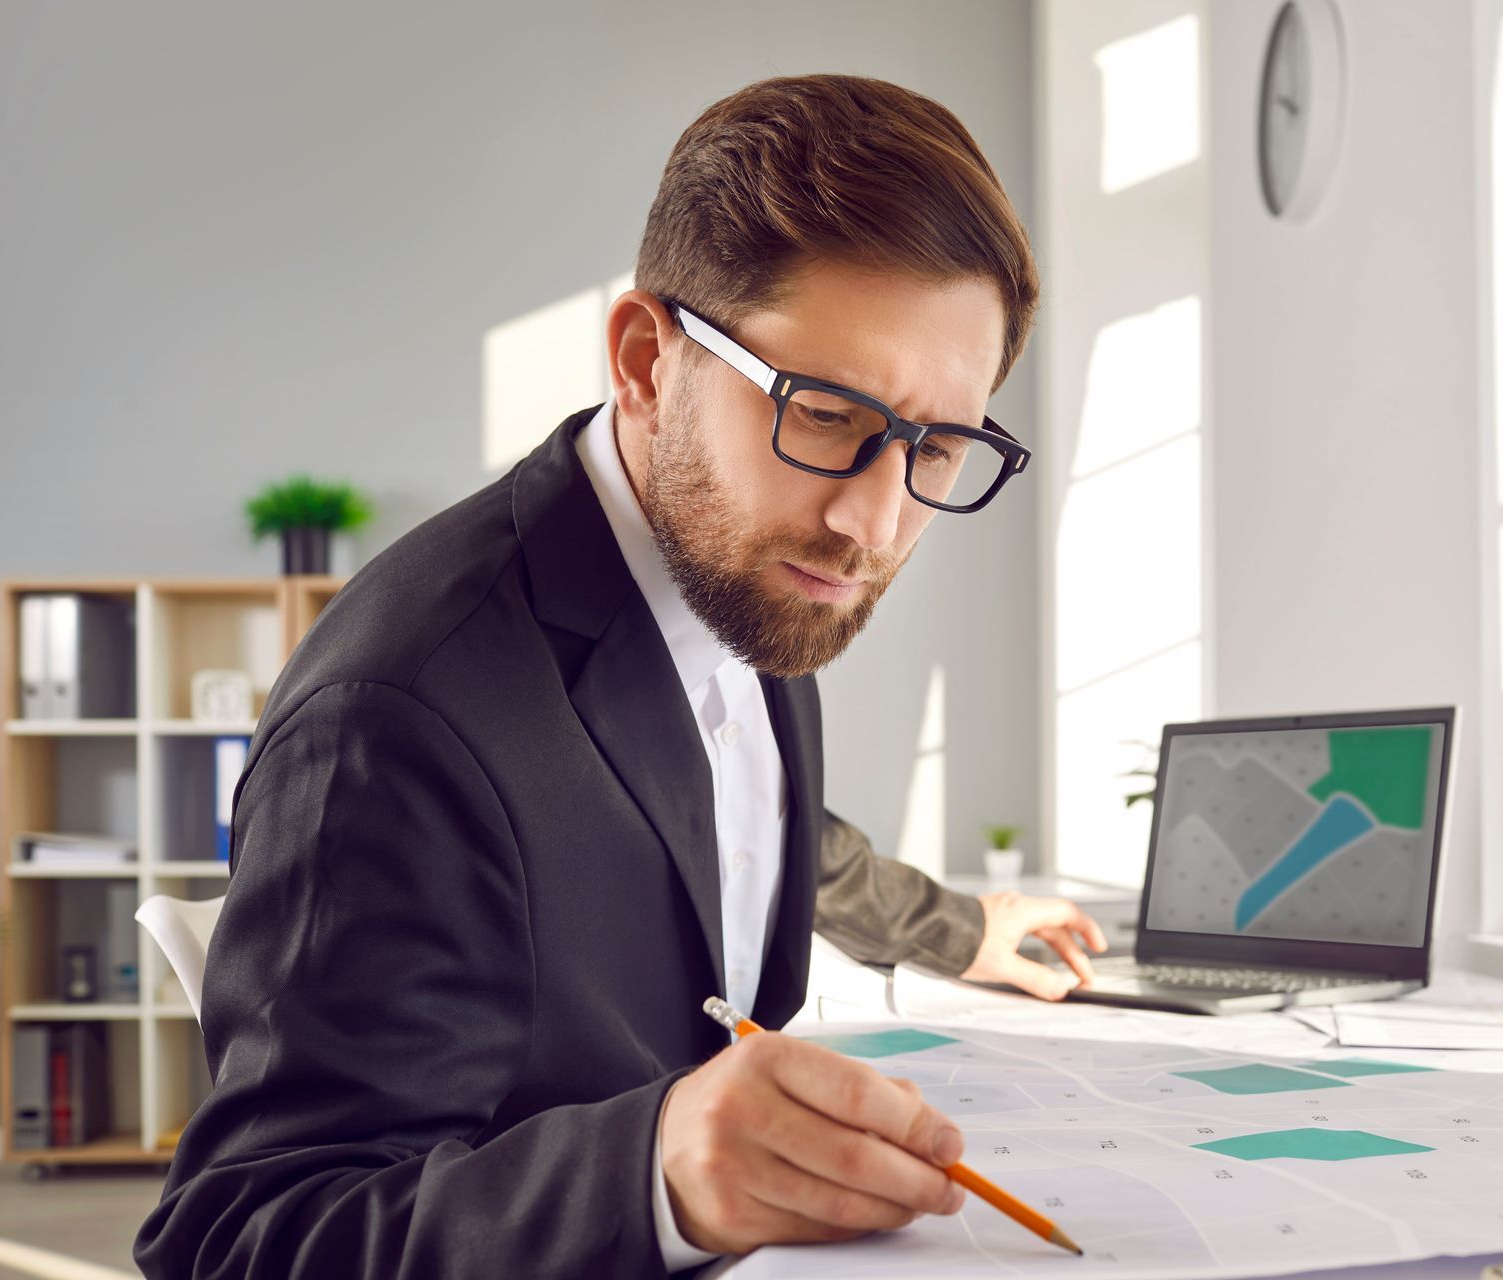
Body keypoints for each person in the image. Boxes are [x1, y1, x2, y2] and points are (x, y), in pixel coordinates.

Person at [135, 73, 1108, 1277]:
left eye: (939, 443)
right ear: (649, 361)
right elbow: (239, 1239)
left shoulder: (741, 571)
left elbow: (732, 822)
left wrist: (960, 927)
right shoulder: (397, 721)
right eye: (822, 413)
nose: (873, 519)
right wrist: (658, 1173)